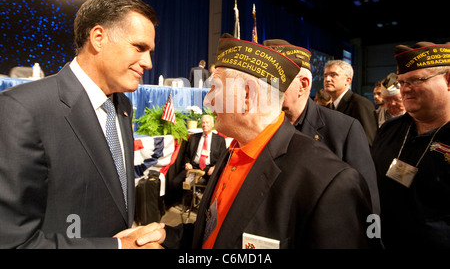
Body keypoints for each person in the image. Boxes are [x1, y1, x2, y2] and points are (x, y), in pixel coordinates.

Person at [141, 34, 376, 249]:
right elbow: (215, 232)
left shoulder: (329, 182)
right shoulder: (234, 151)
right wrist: (167, 237)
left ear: (246, 96)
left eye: (214, 89)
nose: (208, 102)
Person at [0, 0, 165, 249]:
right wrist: (119, 248)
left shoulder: (122, 105)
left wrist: (135, 237)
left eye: (150, 51)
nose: (148, 62)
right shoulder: (22, 109)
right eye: (140, 48)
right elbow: (13, 242)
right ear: (98, 38)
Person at [263, 39, 380, 215]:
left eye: (273, 80)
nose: (265, 88)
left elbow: (366, 197)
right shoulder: (263, 125)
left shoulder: (345, 129)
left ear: (303, 85)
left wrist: (371, 238)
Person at [371, 41, 450, 248]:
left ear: (448, 81)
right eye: (402, 82)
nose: (405, 89)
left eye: (416, 80)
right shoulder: (390, 129)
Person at [324, 59, 378, 146]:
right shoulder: (328, 108)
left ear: (348, 80)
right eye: (325, 75)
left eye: (333, 75)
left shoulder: (360, 104)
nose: (327, 79)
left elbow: (369, 142)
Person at [172, 114, 227, 189]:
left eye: (207, 122)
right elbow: (186, 154)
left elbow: (223, 157)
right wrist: (187, 163)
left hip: (209, 168)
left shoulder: (220, 140)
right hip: (193, 167)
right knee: (175, 182)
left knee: (215, 184)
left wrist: (215, 167)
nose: (205, 125)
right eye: (203, 123)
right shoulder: (193, 138)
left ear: (212, 124)